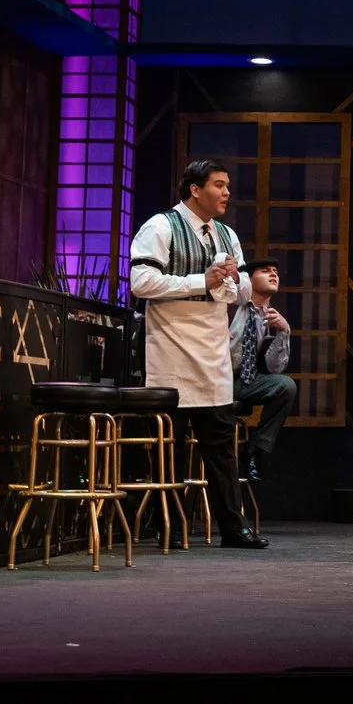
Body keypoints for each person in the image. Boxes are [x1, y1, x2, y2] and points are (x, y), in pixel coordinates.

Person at [128, 159, 267, 548]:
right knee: (169, 448)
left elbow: (243, 293)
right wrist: (200, 280)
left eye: (227, 186)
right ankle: (170, 527)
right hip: (171, 352)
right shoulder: (161, 226)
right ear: (195, 189)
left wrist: (234, 278)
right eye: (219, 185)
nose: (226, 193)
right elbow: (141, 282)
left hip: (213, 353)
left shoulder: (226, 235)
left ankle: (233, 528)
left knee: (221, 449)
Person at [225, 259, 302, 483]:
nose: (273, 275)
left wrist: (284, 332)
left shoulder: (269, 317)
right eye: (265, 271)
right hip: (215, 377)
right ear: (249, 279)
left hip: (242, 381)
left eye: (276, 272)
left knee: (285, 386)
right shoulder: (230, 305)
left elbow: (274, 368)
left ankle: (256, 449)